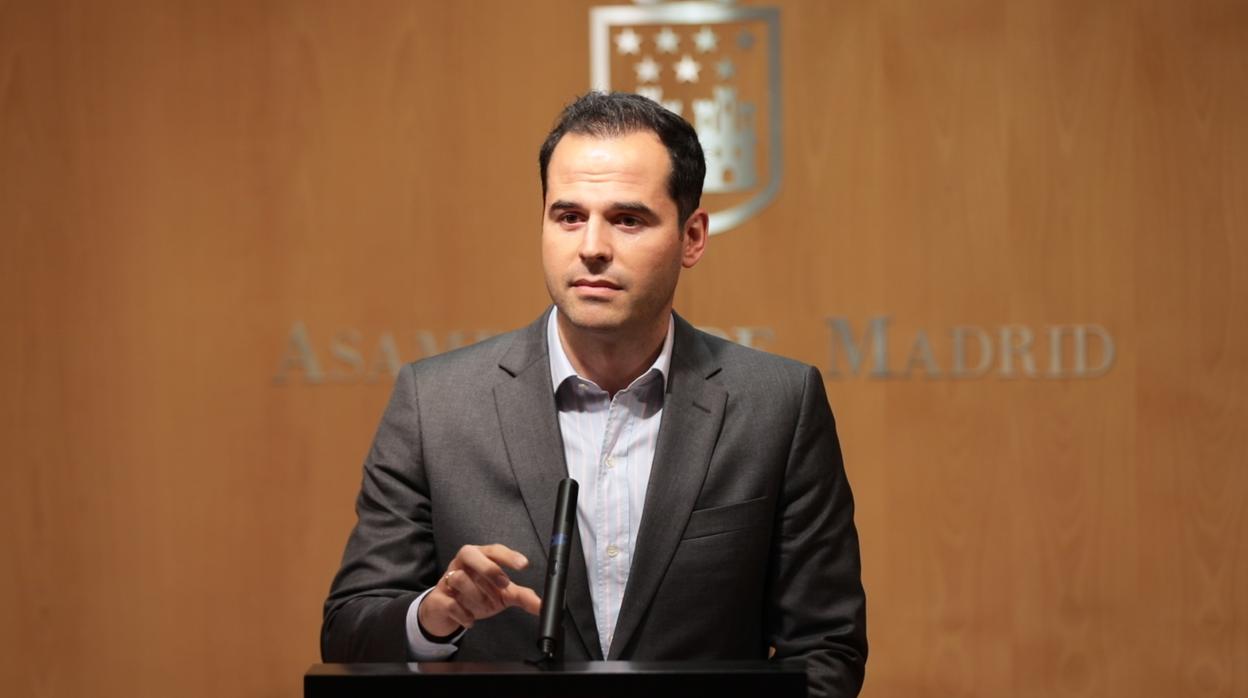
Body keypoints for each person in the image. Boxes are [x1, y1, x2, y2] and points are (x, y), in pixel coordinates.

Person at [321, 91, 868, 697]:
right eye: (569, 216)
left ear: (692, 237)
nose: (592, 247)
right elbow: (349, 631)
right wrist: (433, 616)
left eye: (627, 219)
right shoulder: (435, 402)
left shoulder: (778, 404)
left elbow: (826, 648)